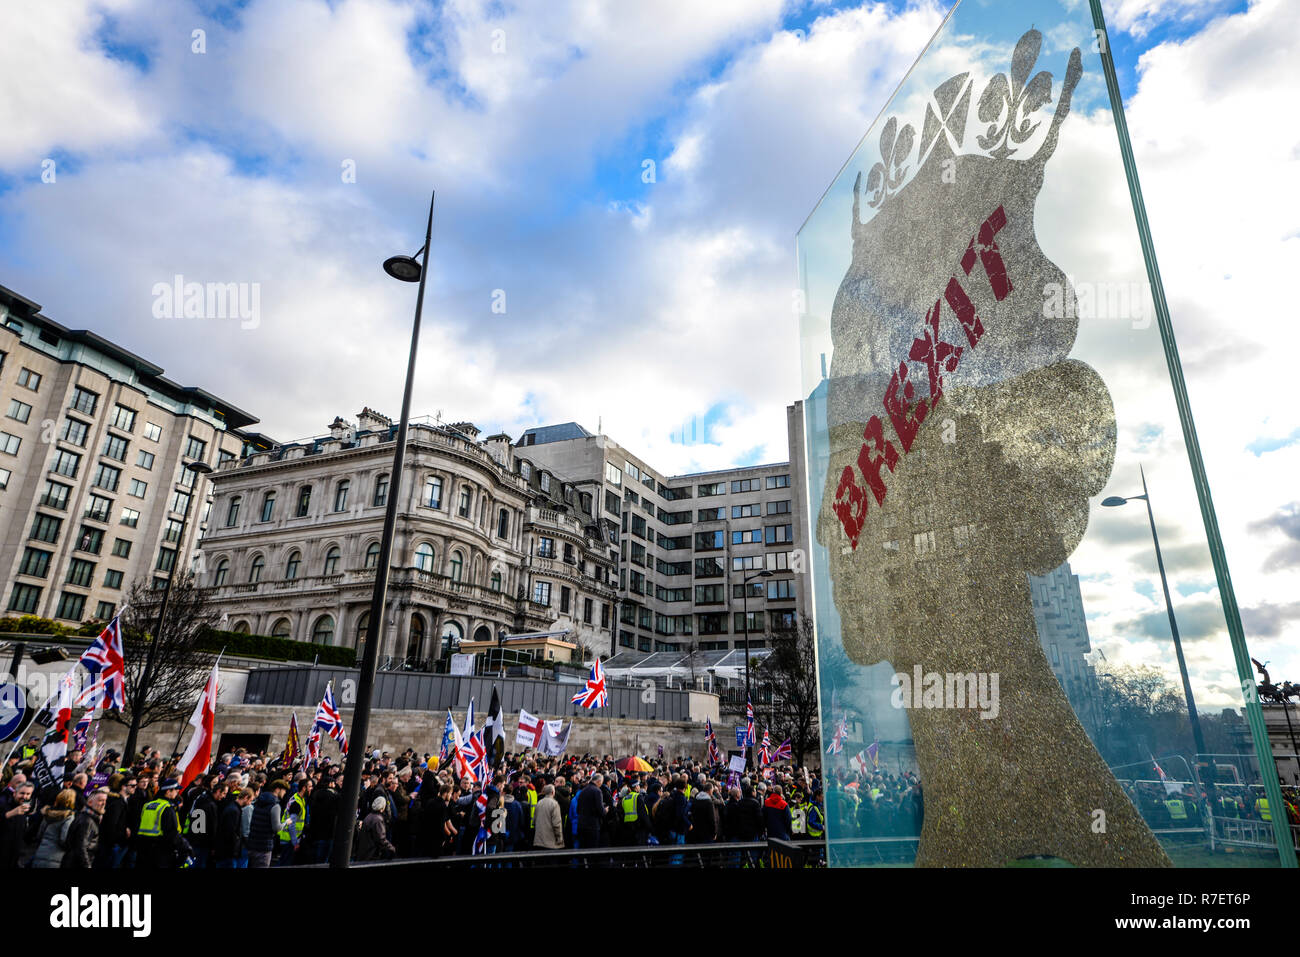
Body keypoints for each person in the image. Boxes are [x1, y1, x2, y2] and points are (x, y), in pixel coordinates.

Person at [136, 778, 189, 869]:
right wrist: (184, 846)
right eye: (176, 790)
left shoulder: (148, 805)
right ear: (168, 791)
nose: (177, 793)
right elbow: (171, 833)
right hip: (160, 850)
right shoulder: (167, 807)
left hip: (143, 848)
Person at [31, 788, 77, 868]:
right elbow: (63, 839)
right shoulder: (69, 817)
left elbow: (40, 834)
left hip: (39, 854)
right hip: (54, 858)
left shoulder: (47, 813)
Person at [63, 787, 107, 870]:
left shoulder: (88, 817)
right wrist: (87, 866)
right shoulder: (87, 821)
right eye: (100, 800)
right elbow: (81, 847)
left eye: (105, 800)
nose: (104, 803)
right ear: (90, 803)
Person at [246, 779, 286, 868]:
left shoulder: (259, 801)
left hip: (252, 844)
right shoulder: (275, 806)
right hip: (264, 847)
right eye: (284, 790)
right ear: (278, 789)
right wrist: (286, 823)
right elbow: (277, 828)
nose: (285, 793)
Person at [214, 785, 253, 868]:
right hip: (227, 853)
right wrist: (236, 849)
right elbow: (230, 833)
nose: (250, 804)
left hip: (226, 852)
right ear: (246, 797)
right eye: (250, 800)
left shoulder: (233, 808)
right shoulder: (234, 811)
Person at [356, 796, 395, 861]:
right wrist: (391, 848)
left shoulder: (369, 816)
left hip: (365, 852)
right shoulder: (378, 820)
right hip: (371, 854)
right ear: (383, 807)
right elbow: (381, 839)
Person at [576, 772, 606, 849]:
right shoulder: (597, 791)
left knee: (583, 849)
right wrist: (605, 810)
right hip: (592, 826)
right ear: (599, 781)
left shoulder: (583, 791)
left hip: (581, 824)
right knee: (592, 850)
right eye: (601, 783)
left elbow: (578, 809)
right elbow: (600, 810)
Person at [533, 783, 564, 850]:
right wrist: (559, 838)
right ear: (553, 792)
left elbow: (534, 821)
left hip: (539, 840)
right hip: (550, 841)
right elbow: (556, 824)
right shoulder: (554, 804)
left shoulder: (539, 803)